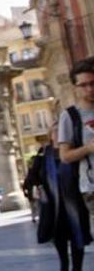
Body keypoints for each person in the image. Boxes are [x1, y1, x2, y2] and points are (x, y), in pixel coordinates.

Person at [32, 120, 92, 271]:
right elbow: (32, 177)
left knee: (77, 236)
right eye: (56, 131)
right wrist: (38, 187)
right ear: (50, 135)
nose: (59, 134)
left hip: (75, 203)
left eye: (62, 131)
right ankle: (64, 265)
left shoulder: (73, 152)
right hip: (54, 206)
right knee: (60, 239)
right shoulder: (43, 155)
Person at [58, 57, 94, 216]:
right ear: (76, 88)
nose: (90, 89)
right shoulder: (70, 116)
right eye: (84, 85)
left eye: (92, 83)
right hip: (91, 186)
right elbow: (64, 156)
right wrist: (88, 148)